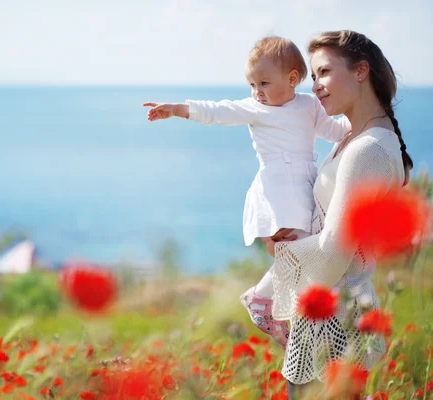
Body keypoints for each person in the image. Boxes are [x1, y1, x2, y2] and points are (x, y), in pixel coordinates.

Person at [143, 36, 350, 347]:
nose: (257, 92)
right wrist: (176, 109)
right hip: (278, 189)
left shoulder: (308, 105)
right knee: (299, 250)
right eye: (252, 84)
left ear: (293, 79)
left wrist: (365, 114)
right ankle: (266, 301)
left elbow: (335, 132)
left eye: (264, 83)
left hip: (303, 185)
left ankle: (268, 301)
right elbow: (218, 111)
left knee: (302, 253)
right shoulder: (255, 108)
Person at [257, 30, 413, 399]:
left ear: (361, 71)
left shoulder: (368, 150)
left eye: (324, 72)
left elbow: (333, 253)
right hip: (329, 320)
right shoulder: (357, 139)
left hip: (336, 326)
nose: (315, 86)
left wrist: (280, 251)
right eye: (313, 76)